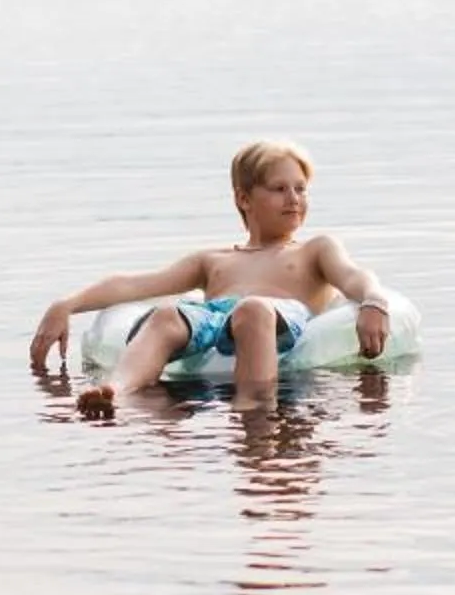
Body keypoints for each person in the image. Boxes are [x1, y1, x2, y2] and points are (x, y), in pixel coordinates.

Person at [30, 140, 395, 418]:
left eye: (300, 188)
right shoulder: (214, 260)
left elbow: (354, 276)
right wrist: (67, 304)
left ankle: (253, 413)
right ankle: (116, 391)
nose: (294, 199)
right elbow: (134, 285)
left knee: (253, 309)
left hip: (274, 317)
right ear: (244, 198)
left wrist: (374, 302)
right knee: (166, 314)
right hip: (217, 318)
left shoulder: (313, 250)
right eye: (279, 188)